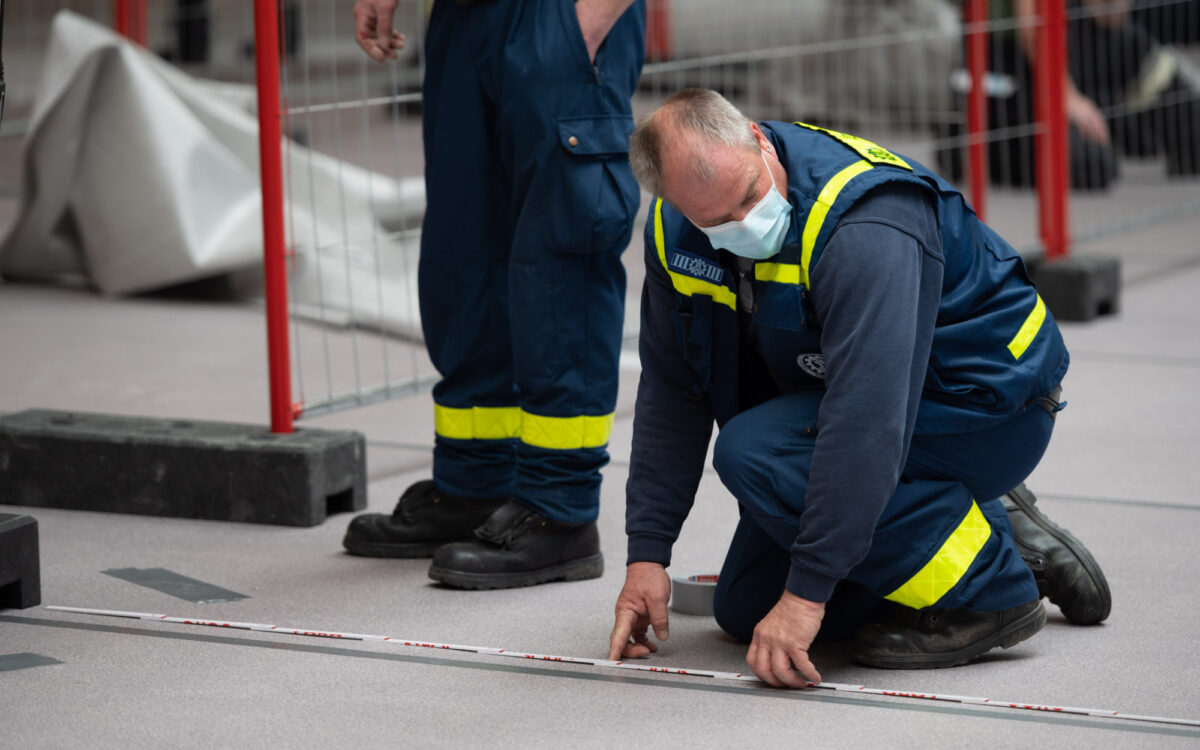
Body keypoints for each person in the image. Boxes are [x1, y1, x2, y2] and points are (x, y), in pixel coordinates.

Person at [607, 88, 1110, 687]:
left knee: (754, 453)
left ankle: (991, 586)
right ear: (674, 203)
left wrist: (806, 597)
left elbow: (865, 422)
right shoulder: (675, 235)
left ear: (759, 140)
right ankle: (973, 518)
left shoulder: (866, 224)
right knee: (744, 609)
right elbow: (673, 390)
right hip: (865, 401)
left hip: (986, 406)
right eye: (717, 221)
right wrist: (648, 554)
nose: (745, 222)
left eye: (749, 195)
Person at [342, 0, 646, 589]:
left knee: (561, 259)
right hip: (463, 18)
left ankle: (560, 509)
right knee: (464, 256)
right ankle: (473, 485)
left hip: (559, 14)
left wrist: (582, 23)